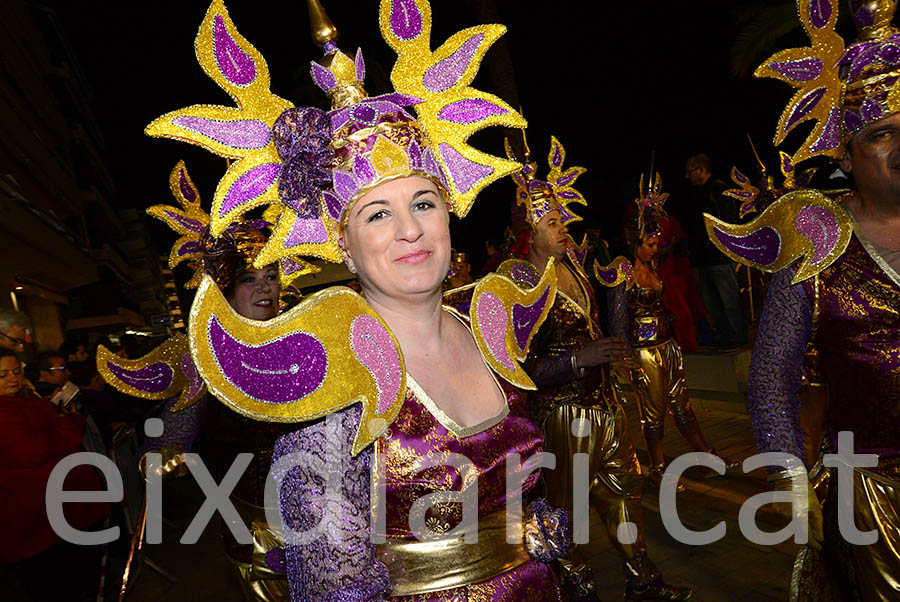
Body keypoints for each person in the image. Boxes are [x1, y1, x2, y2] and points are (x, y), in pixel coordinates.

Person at [147, 1, 572, 599]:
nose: (410, 230)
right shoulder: (333, 375)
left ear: (449, 214)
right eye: (378, 213)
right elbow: (334, 585)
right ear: (344, 246)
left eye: (423, 203)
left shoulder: (488, 325)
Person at [707, 1, 900, 599]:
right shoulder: (818, 243)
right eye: (883, 134)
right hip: (869, 499)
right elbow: (770, 376)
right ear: (846, 156)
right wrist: (794, 482)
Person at [507, 135, 693, 601]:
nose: (563, 227)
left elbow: (610, 325)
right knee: (562, 507)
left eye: (562, 219)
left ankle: (643, 580)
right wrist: (577, 360)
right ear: (530, 233)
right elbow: (517, 368)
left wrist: (614, 310)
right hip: (561, 415)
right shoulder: (519, 282)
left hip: (605, 405)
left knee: (625, 491)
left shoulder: (578, 270)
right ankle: (579, 586)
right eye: (552, 222)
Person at [98, 162, 294, 602]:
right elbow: (176, 426)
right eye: (249, 280)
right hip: (248, 519)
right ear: (225, 290)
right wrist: (165, 453)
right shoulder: (204, 353)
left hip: (322, 513)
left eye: (270, 277)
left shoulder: (307, 337)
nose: (264, 288)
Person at [623, 174, 735, 486]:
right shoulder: (623, 272)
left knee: (682, 405)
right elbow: (617, 318)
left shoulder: (654, 266)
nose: (656, 249)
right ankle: (658, 470)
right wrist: (624, 354)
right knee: (654, 411)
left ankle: (708, 456)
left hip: (667, 343)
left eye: (657, 243)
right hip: (643, 350)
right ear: (635, 242)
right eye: (650, 244)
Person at [0, 347, 110, 601]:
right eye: (3, 375)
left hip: (65, 512)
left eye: (16, 372)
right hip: (34, 524)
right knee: (56, 587)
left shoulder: (27, 400)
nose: (13, 379)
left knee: (83, 582)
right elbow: (33, 450)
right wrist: (69, 424)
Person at [684, 153, 747, 346]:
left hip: (720, 257)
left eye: (689, 172)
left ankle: (737, 336)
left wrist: (718, 245)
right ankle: (726, 335)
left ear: (701, 170)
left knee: (728, 299)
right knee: (711, 301)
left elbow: (729, 221)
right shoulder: (700, 193)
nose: (687, 176)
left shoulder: (719, 190)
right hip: (704, 257)